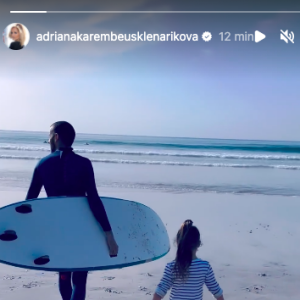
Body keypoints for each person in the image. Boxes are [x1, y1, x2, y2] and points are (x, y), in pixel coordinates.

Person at [26, 121, 119, 300]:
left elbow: (29, 204)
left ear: (56, 137)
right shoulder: (84, 164)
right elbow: (94, 199)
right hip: (81, 230)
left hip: (55, 230)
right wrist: (108, 233)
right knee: (80, 279)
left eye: (49, 138)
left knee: (63, 275)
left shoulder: (42, 165)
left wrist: (32, 234)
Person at [152, 220, 224, 300]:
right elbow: (217, 292)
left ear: (178, 242)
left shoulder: (172, 266)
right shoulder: (204, 267)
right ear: (198, 243)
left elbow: (159, 293)